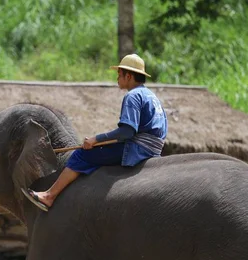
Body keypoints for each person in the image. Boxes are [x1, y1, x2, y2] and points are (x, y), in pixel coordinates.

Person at [22, 53, 168, 212]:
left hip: (137, 150)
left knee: (81, 155)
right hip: (153, 149)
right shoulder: (151, 96)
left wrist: (95, 139)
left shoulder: (133, 96)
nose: (117, 79)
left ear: (129, 75)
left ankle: (49, 196)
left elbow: (127, 132)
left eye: (119, 75)